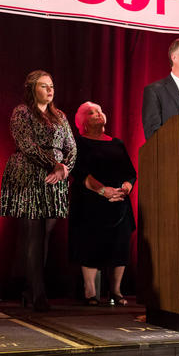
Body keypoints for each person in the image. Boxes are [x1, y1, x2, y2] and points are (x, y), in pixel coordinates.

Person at [0, 70, 76, 312]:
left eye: (51, 85)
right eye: (44, 86)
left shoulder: (60, 116)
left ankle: (29, 288)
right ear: (32, 89)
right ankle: (37, 294)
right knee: (33, 234)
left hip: (55, 179)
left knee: (44, 236)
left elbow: (71, 147)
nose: (50, 90)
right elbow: (26, 144)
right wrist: (54, 165)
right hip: (30, 174)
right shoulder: (22, 112)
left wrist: (64, 169)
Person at [69, 101, 137, 306]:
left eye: (99, 111)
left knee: (120, 245)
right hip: (90, 202)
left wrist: (125, 187)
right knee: (90, 245)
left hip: (118, 202)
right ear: (83, 122)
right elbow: (79, 172)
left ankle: (116, 291)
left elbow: (130, 173)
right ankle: (90, 291)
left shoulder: (117, 143)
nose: (98, 114)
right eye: (91, 113)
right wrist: (103, 190)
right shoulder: (78, 143)